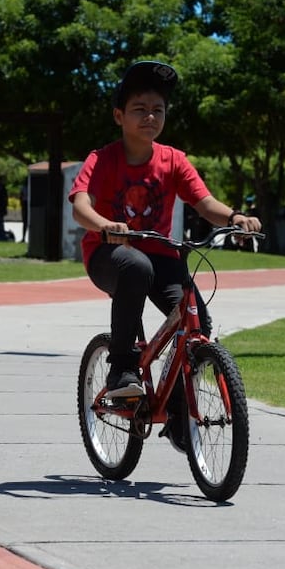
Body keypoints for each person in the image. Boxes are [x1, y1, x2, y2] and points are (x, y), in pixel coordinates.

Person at [69, 60, 262, 406]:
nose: (150, 117)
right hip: (108, 253)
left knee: (196, 322)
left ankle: (175, 411)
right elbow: (81, 205)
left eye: (158, 110)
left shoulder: (173, 160)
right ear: (119, 116)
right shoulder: (102, 159)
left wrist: (235, 217)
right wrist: (104, 225)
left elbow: (205, 203)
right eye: (139, 110)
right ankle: (122, 369)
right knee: (135, 268)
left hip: (161, 255)